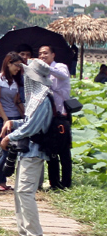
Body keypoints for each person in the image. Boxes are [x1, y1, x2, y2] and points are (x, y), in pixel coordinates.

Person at [0, 59, 53, 236]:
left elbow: (32, 127)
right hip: (27, 151)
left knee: (25, 192)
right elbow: (28, 123)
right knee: (18, 193)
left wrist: (9, 137)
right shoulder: (36, 99)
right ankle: (24, 233)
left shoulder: (43, 99)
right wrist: (13, 122)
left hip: (35, 152)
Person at [0, 52, 25, 192]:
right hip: (2, 118)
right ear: (8, 63)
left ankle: (3, 181)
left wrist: (25, 116)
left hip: (15, 117)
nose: (18, 68)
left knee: (12, 150)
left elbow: (16, 101)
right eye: (17, 65)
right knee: (6, 149)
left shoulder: (16, 81)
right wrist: (5, 119)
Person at [39, 45, 72, 190]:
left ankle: (66, 183)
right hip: (48, 117)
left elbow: (63, 76)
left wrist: (46, 70)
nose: (42, 56)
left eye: (45, 53)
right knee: (51, 150)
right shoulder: (41, 72)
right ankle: (54, 182)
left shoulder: (60, 67)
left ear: (53, 54)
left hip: (62, 115)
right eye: (40, 54)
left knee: (64, 152)